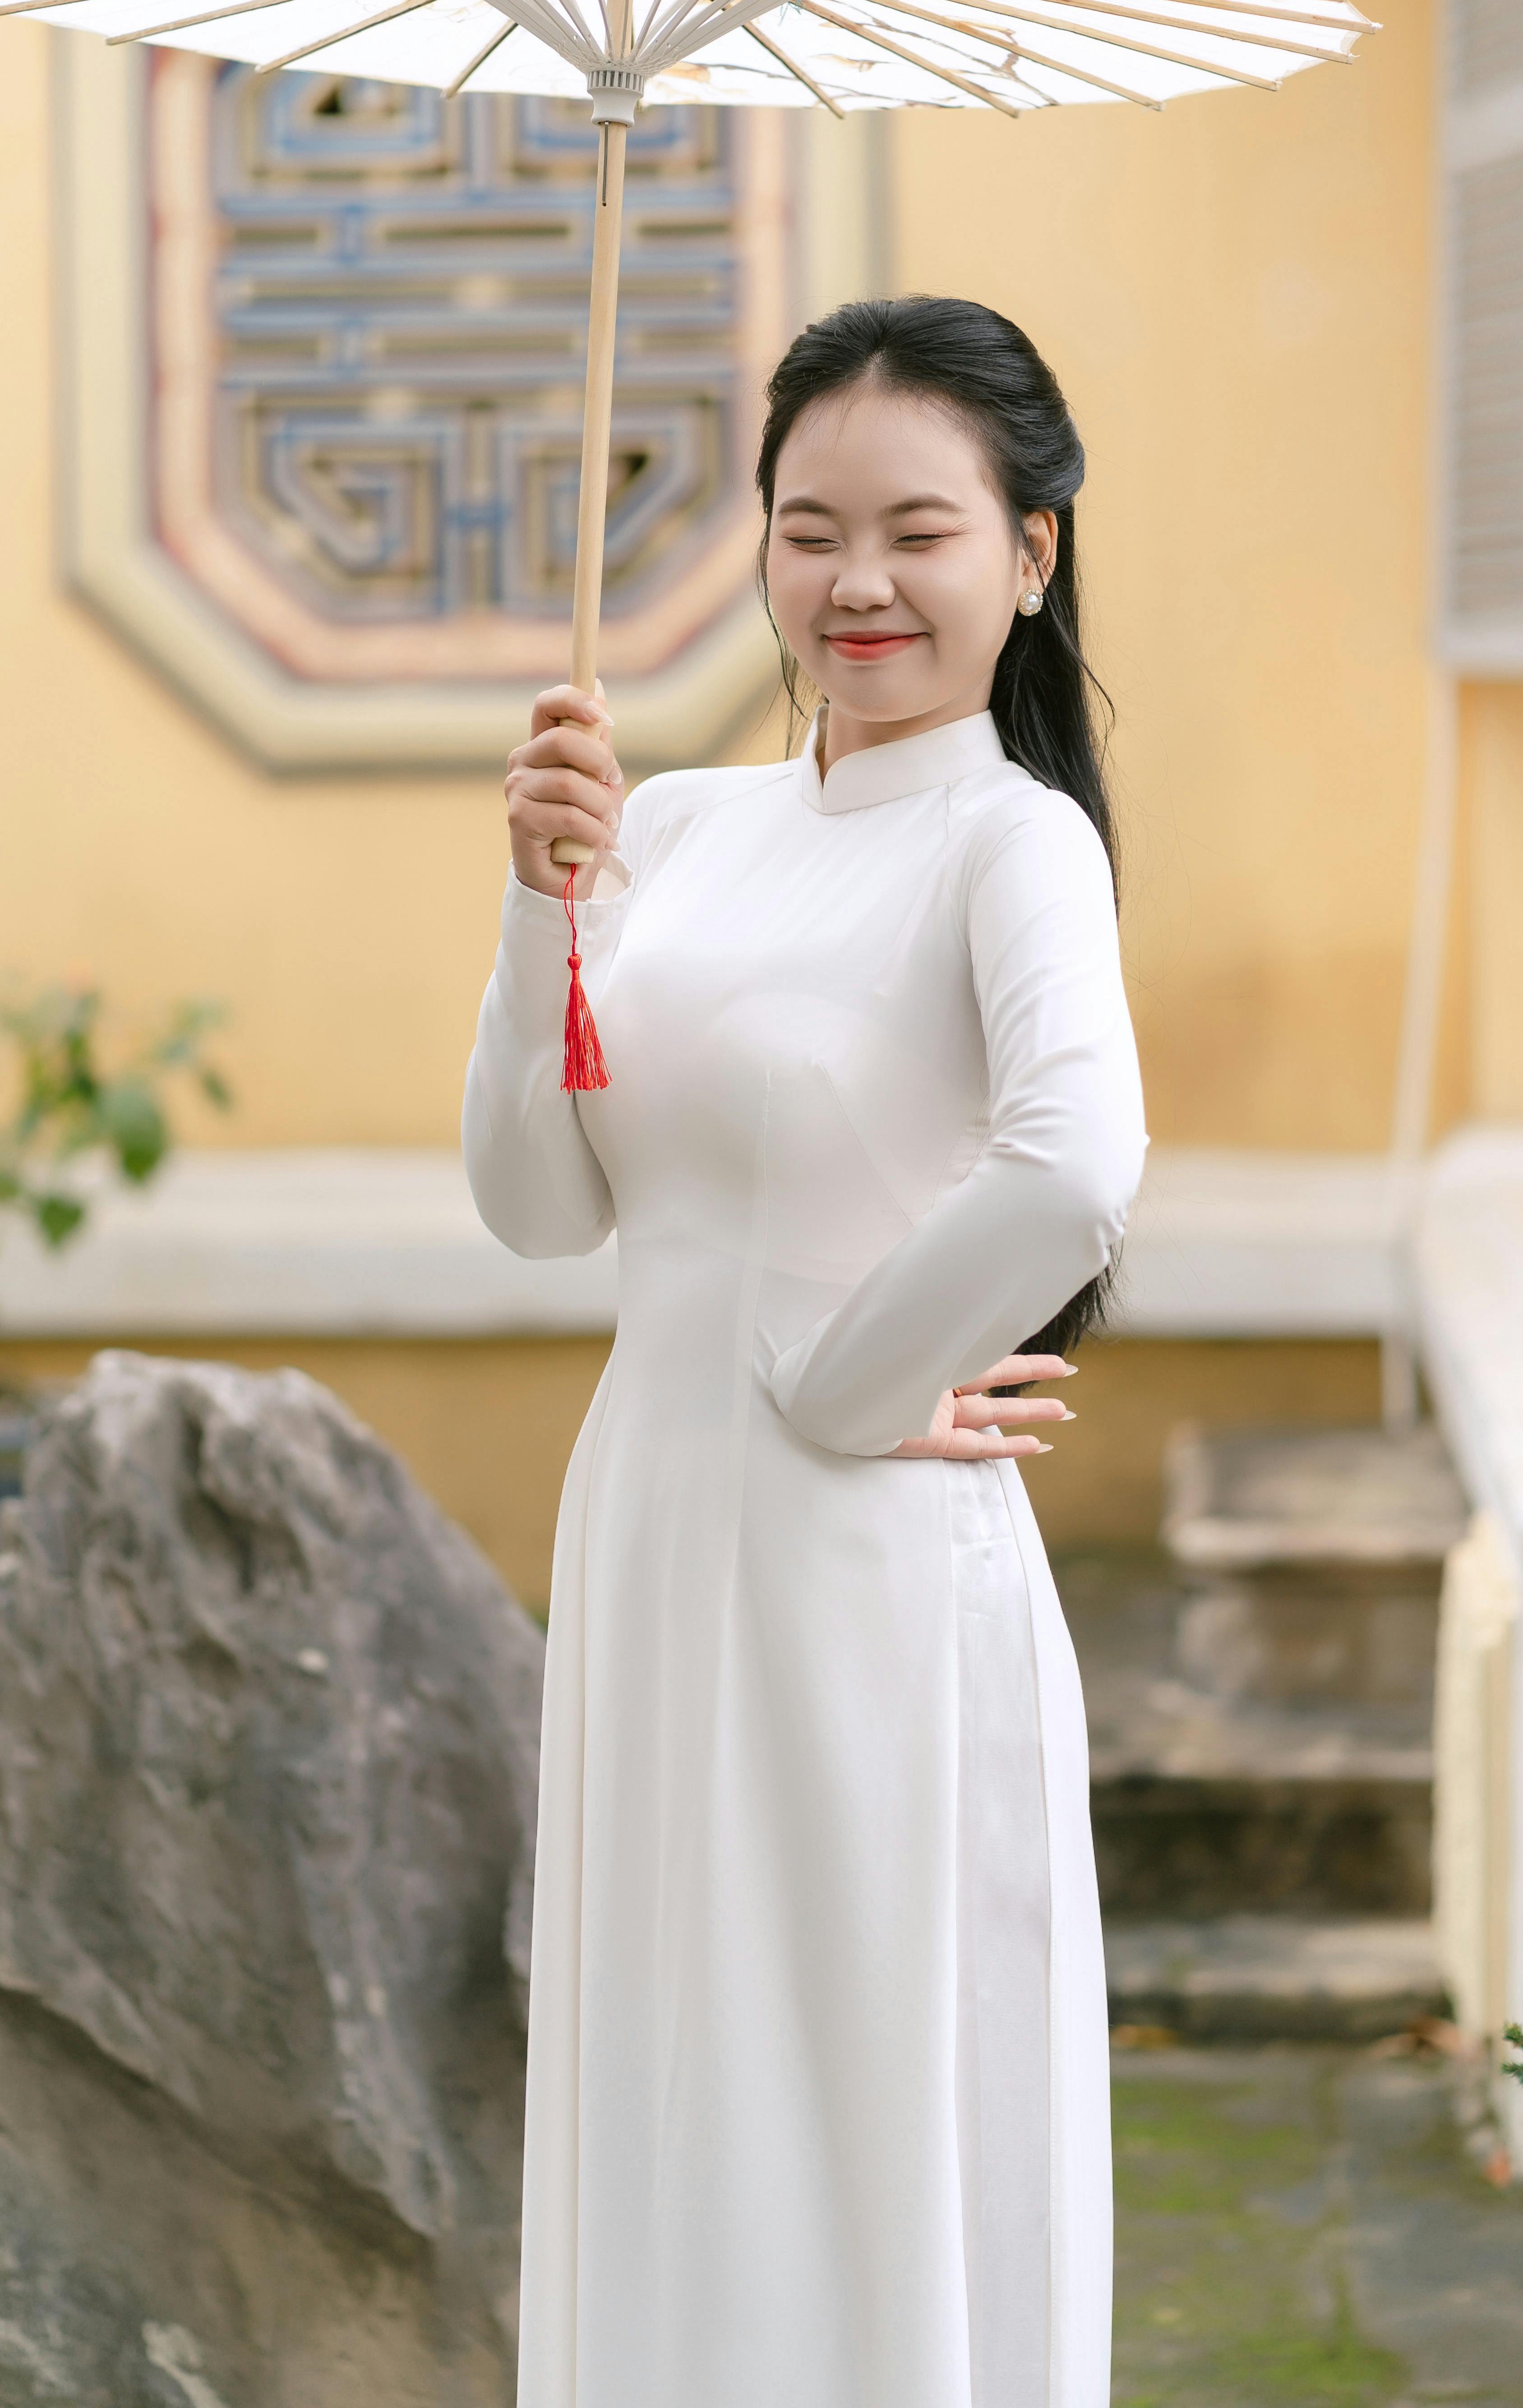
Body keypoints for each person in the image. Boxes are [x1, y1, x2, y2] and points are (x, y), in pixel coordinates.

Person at [464, 294, 1148, 2408]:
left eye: (918, 531)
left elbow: (1076, 1167)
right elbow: (541, 1203)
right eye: (807, 526)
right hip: (656, 1532)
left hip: (863, 1567)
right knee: (670, 2074)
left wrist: (850, 1387)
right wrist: (543, 907)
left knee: (849, 2099)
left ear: (1027, 552)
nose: (856, 582)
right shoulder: (671, 827)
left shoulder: (1007, 839)